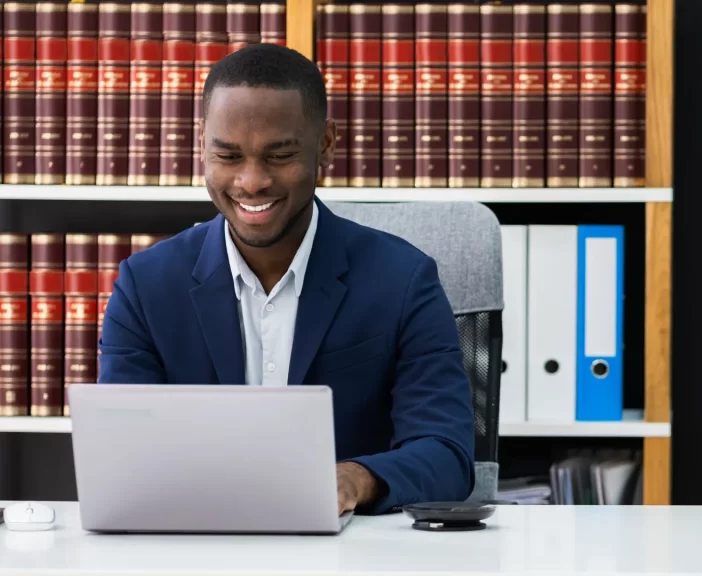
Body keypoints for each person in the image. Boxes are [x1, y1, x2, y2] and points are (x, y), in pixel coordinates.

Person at [98, 43, 476, 515]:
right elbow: (120, 459)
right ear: (201, 145)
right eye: (228, 156)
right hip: (193, 545)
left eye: (279, 156)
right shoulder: (146, 287)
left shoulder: (403, 281)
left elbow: (448, 456)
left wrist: (355, 479)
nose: (252, 181)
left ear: (326, 145)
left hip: (353, 554)